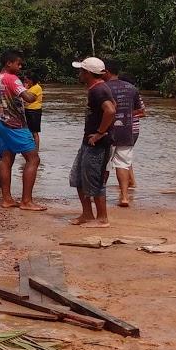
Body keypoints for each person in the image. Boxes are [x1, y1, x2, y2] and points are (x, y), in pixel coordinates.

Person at [0, 50, 45, 211]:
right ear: (9, 63)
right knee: (33, 159)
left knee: (6, 159)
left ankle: (7, 199)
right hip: (15, 124)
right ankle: (27, 201)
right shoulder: (12, 79)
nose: (20, 67)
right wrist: (33, 94)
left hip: (0, 122)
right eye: (18, 63)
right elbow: (27, 97)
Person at [70, 57, 117, 227]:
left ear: (88, 73)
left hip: (97, 143)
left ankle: (102, 218)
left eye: (81, 71)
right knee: (78, 178)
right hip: (89, 141)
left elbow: (110, 110)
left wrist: (99, 133)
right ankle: (87, 214)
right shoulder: (98, 88)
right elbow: (114, 107)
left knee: (95, 180)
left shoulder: (98, 90)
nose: (79, 74)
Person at [103, 59, 144, 207]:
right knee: (124, 164)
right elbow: (139, 110)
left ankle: (100, 196)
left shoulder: (103, 88)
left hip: (108, 131)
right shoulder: (131, 88)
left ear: (106, 71)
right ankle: (125, 197)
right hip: (127, 131)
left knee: (104, 165)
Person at [22, 72, 44, 150]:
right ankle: (30, 148)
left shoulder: (37, 88)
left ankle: (36, 150)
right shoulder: (30, 88)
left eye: (26, 80)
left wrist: (24, 89)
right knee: (28, 131)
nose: (25, 82)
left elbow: (28, 99)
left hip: (34, 111)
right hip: (28, 110)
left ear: (32, 80)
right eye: (24, 80)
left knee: (34, 132)